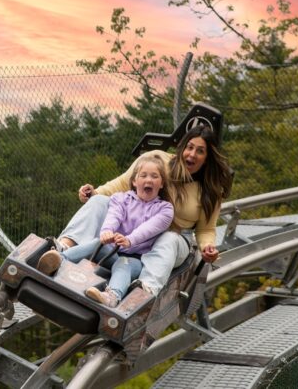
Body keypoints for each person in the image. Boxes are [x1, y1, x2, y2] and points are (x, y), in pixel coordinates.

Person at [52, 124, 232, 296]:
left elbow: (206, 229)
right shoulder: (158, 161)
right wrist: (95, 192)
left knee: (168, 238)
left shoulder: (210, 190)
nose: (192, 154)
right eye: (189, 147)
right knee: (99, 201)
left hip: (171, 239)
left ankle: (145, 289)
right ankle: (64, 246)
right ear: (182, 147)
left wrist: (208, 247)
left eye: (200, 151)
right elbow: (123, 182)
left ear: (207, 157)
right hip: (134, 228)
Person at [36, 155, 174, 307]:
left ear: (161, 184)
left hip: (134, 259)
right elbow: (114, 215)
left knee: (123, 262)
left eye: (155, 176)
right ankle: (58, 259)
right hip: (110, 252)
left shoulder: (165, 209)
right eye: (143, 175)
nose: (148, 180)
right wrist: (107, 232)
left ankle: (112, 296)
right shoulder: (120, 199)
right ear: (135, 181)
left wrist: (130, 240)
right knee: (96, 243)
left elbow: (148, 229)